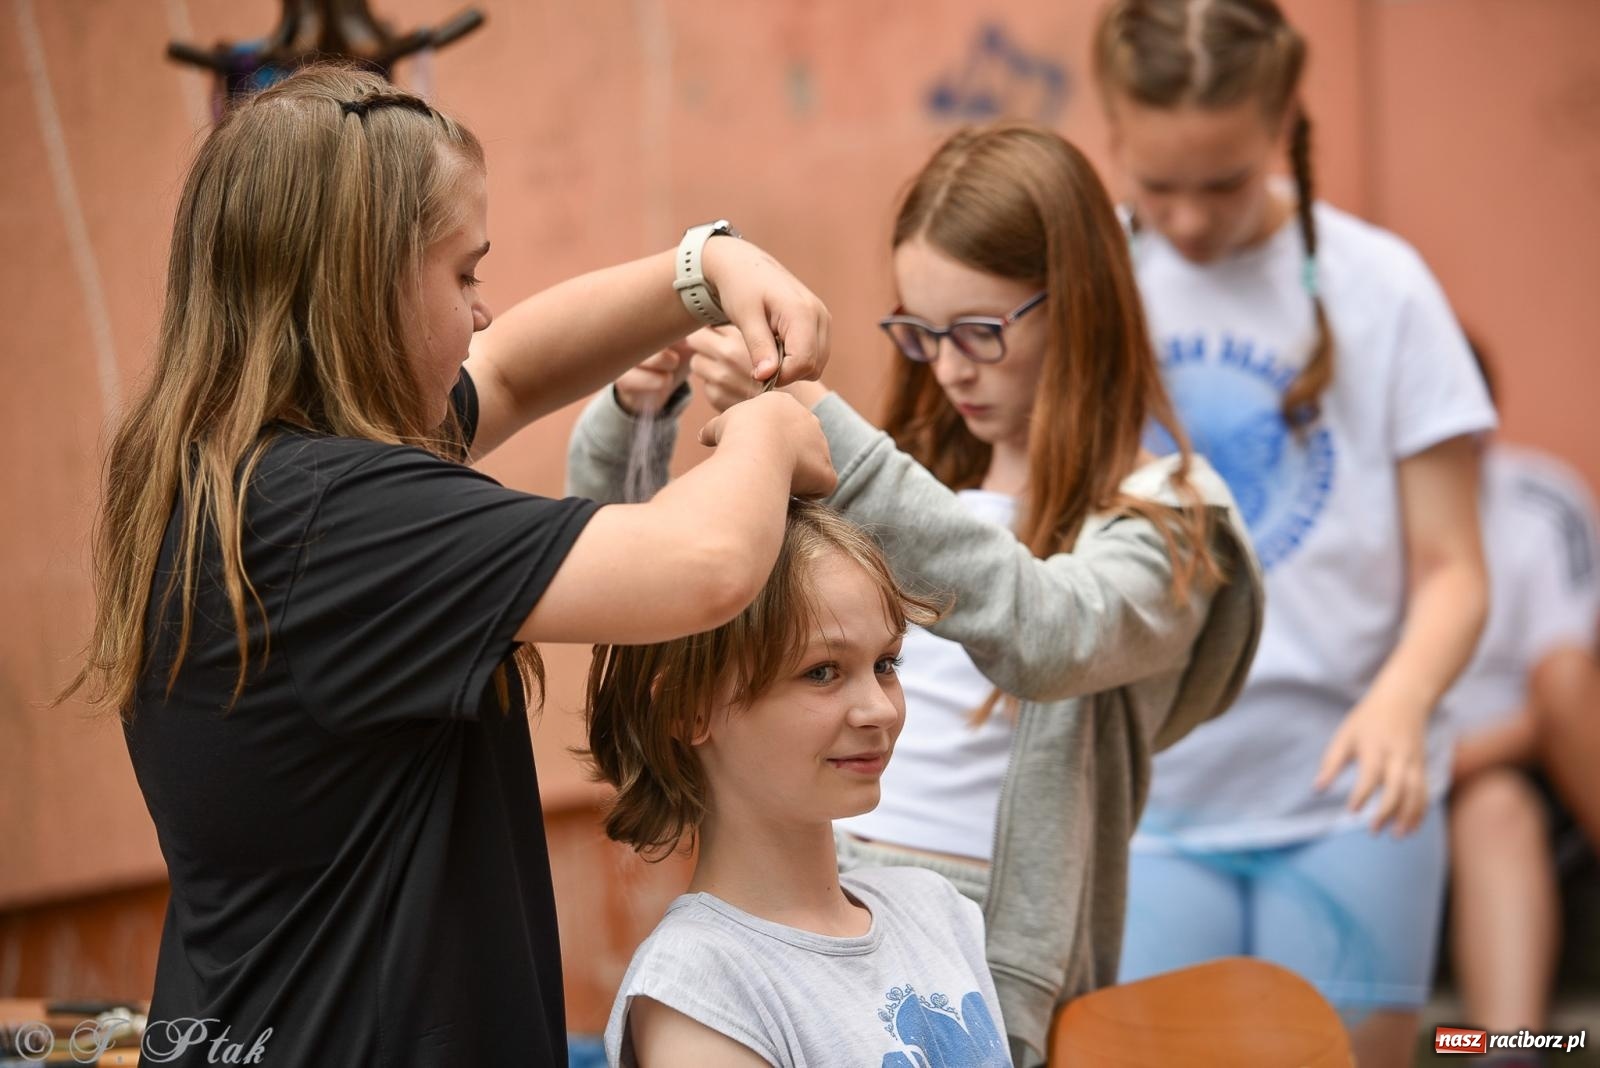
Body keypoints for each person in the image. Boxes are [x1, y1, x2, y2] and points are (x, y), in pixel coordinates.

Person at [60, 64, 836, 1067]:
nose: (480, 310)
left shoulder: (235, 476)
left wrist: (704, 266)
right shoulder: (334, 520)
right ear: (363, 282)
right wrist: (771, 427)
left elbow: (508, 368)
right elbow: (702, 564)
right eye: (463, 273)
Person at [569, 121, 1263, 1066]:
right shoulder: (903, 484)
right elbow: (654, 600)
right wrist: (636, 413)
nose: (948, 367)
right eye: (920, 332)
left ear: (1085, 308)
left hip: (983, 948)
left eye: (980, 331)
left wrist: (819, 432)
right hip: (808, 898)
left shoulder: (1172, 520)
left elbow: (1046, 630)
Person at [1092, 2, 1494, 1062]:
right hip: (1151, 803)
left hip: (1348, 804)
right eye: (1156, 184)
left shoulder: (1385, 288)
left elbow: (1455, 569)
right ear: (1113, 135)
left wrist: (1401, 703)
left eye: (1220, 182)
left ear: (1281, 127)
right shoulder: (1087, 291)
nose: (1184, 220)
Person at [589, 500, 1010, 1068]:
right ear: (687, 710)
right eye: (821, 672)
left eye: (886, 664)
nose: (878, 710)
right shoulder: (700, 992)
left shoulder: (937, 911)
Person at [1445, 347, 1600, 1055]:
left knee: (1498, 804)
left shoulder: (1539, 503)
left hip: (1504, 762)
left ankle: (1508, 1054)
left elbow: (1564, 694)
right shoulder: (1340, 521)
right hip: (1372, 783)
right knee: (1493, 809)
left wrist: (1454, 758)